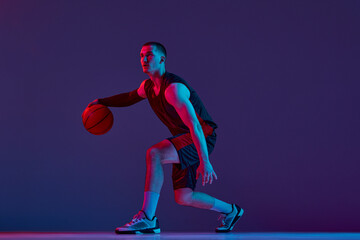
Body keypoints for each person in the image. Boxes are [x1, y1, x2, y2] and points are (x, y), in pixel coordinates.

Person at [87, 42, 244, 234]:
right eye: (141, 55)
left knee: (155, 153)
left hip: (202, 136)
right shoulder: (148, 87)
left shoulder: (173, 90)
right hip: (185, 138)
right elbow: (129, 97)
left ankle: (147, 218)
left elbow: (195, 126)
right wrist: (102, 102)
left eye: (149, 55)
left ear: (162, 59)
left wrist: (205, 161)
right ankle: (231, 211)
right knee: (184, 197)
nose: (144, 59)